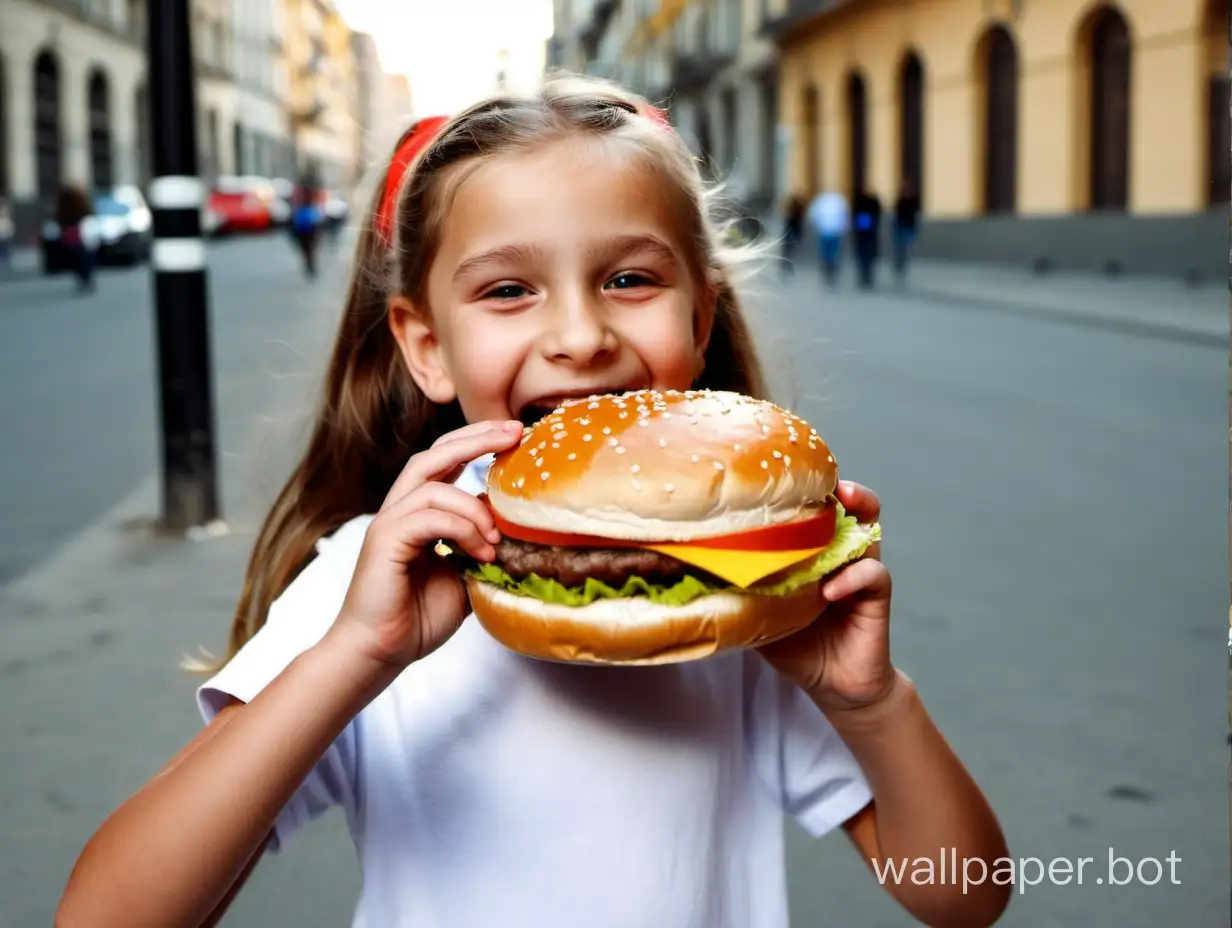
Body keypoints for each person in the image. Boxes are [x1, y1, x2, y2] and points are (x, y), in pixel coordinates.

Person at [58, 77, 1010, 928]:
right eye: (509, 290)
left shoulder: (751, 599)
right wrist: (354, 654)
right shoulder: (365, 580)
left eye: (630, 279)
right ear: (425, 345)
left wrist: (872, 702)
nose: (581, 335)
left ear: (700, 316)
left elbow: (961, 897)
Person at [55, 184, 98, 293]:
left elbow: (60, 218)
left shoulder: (65, 205)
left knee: (78, 259)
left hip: (74, 235)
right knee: (85, 259)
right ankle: (86, 280)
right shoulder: (80, 204)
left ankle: (83, 279)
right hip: (81, 235)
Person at [807, 188, 848, 288]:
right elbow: (844, 216)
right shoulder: (838, 201)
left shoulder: (821, 202)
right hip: (833, 232)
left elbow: (813, 215)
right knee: (832, 253)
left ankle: (828, 269)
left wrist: (816, 226)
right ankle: (830, 269)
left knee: (826, 253)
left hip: (826, 231)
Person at [289, 170, 324, 278]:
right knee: (310, 244)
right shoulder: (314, 188)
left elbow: (294, 202)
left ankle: (309, 263)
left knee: (305, 244)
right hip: (311, 219)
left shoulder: (299, 190)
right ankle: (310, 263)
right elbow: (320, 201)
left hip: (303, 220)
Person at [851, 187, 882, 290]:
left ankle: (865, 275)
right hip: (867, 238)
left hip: (864, 239)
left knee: (864, 255)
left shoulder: (860, 208)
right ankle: (867, 276)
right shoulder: (871, 208)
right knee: (867, 255)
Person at [893, 181, 922, 283]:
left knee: (906, 247)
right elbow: (896, 216)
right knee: (901, 248)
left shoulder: (912, 201)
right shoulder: (900, 201)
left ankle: (902, 264)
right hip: (901, 227)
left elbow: (915, 215)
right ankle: (900, 265)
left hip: (909, 227)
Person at [780, 193, 807, 278]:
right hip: (795, 233)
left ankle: (786, 266)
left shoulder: (790, 212)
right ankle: (789, 266)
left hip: (789, 233)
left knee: (787, 251)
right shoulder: (799, 211)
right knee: (792, 251)